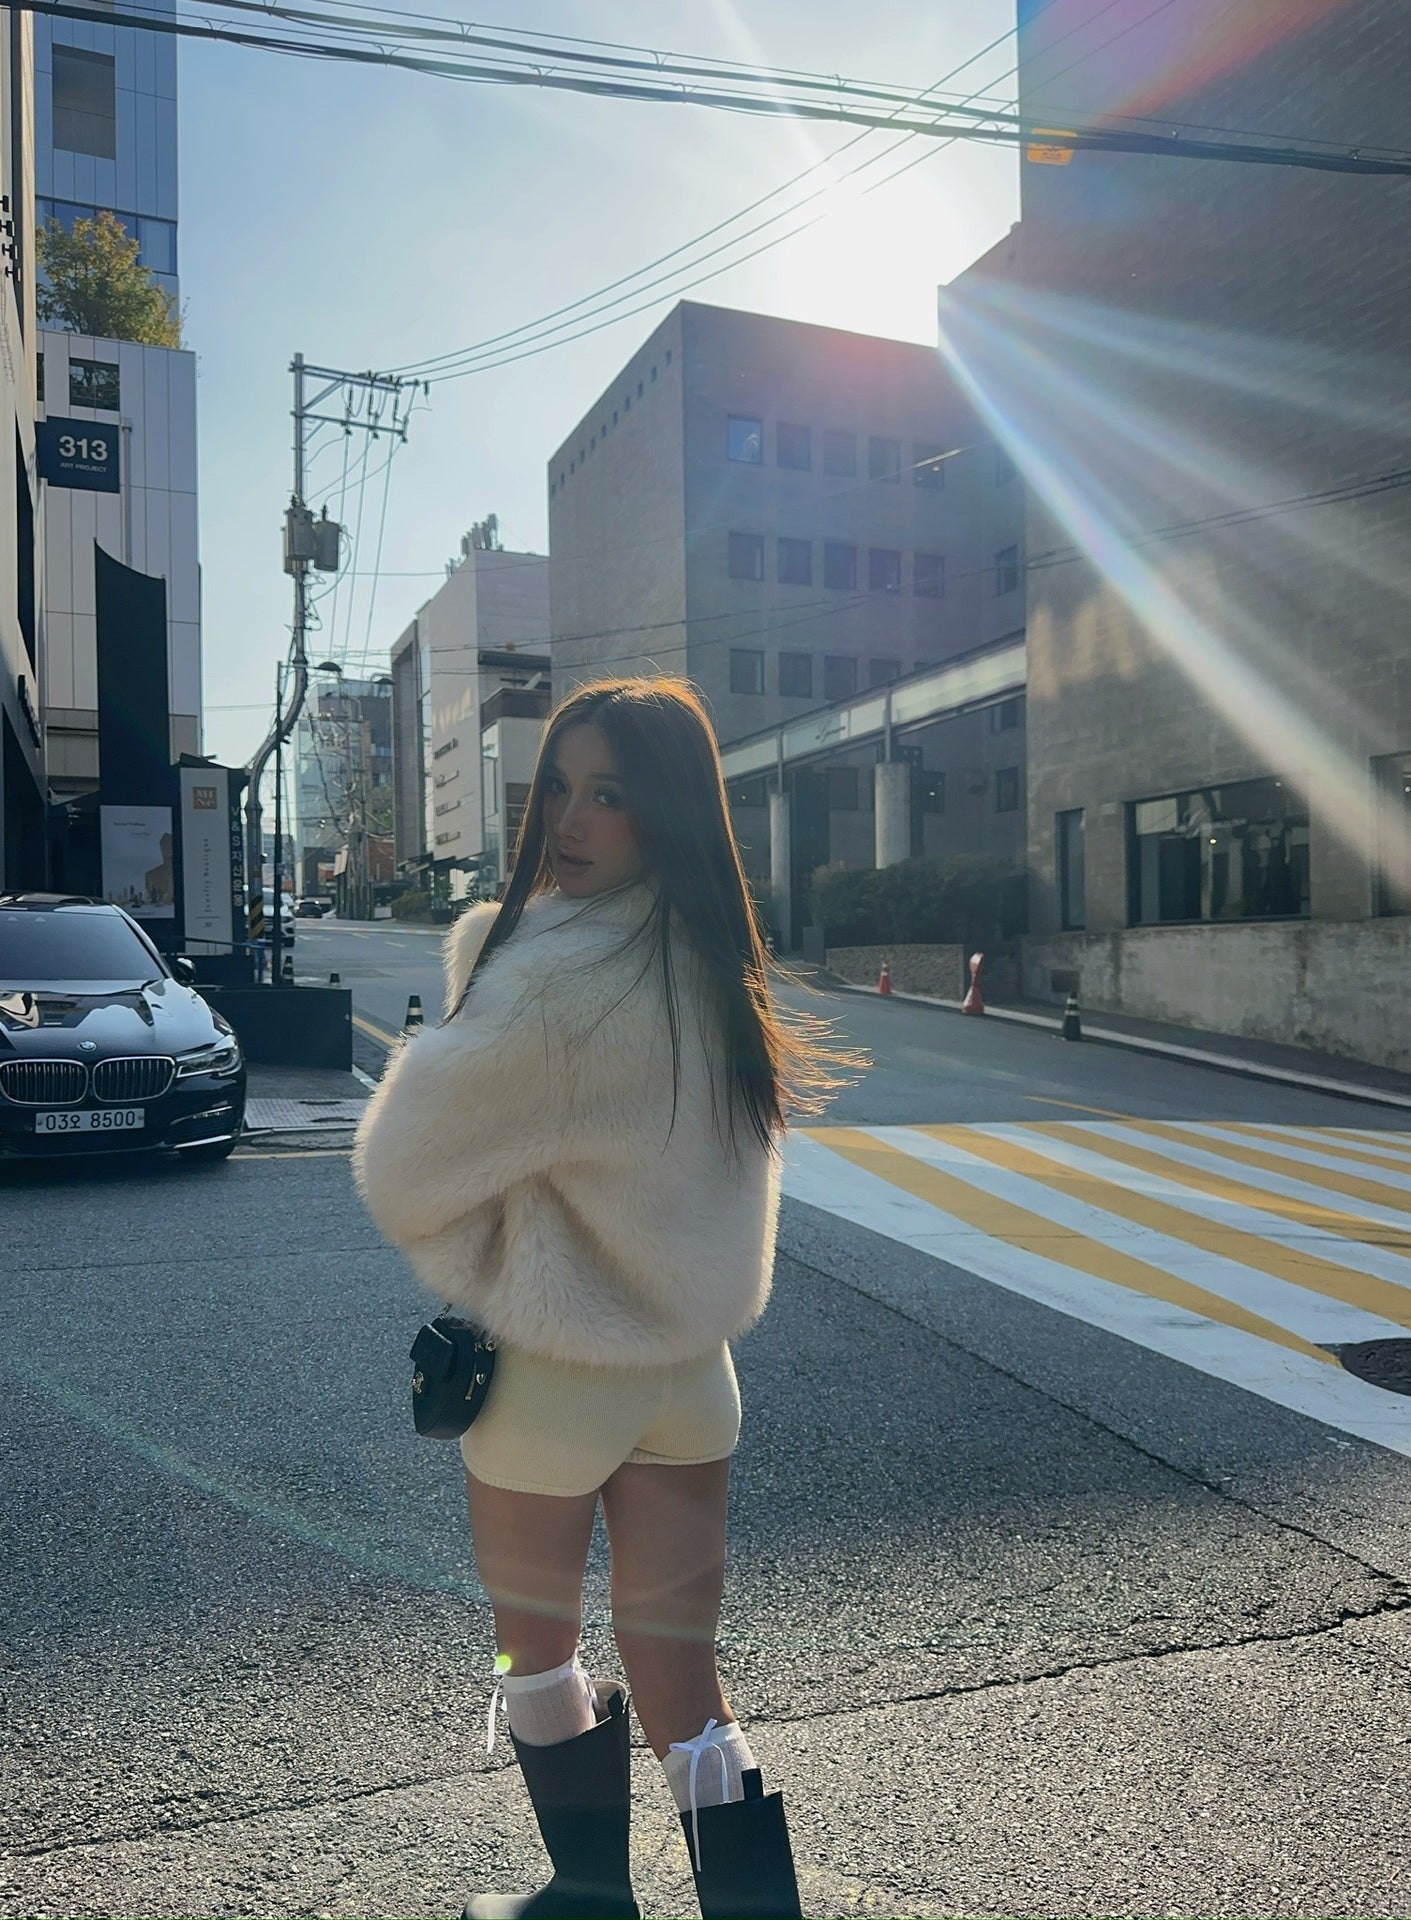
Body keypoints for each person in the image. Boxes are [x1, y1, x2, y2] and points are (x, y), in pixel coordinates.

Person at [354, 676, 863, 1920]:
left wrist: (490, 1264)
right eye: (560, 791)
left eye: (609, 796)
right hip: (691, 1379)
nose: (571, 821)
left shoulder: (543, 975)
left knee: (535, 1646)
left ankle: (585, 1899)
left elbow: (400, 1166)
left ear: (663, 812)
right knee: (688, 1685)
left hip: (551, 1376)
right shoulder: (718, 963)